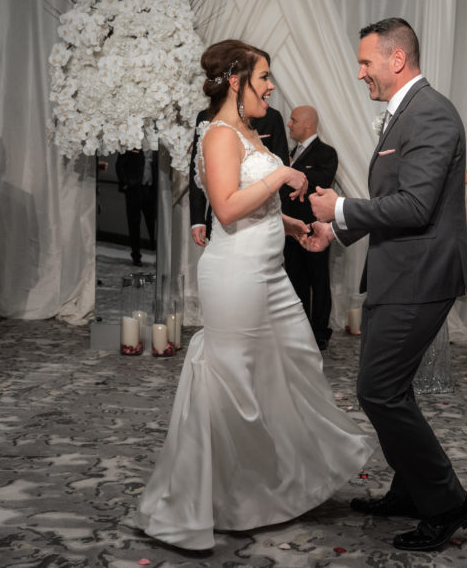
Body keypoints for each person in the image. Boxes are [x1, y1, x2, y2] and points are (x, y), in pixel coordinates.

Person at [135, 39, 373, 551]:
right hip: (236, 273)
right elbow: (224, 208)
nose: (271, 86)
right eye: (264, 77)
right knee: (236, 382)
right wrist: (282, 177)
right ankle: (218, 499)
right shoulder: (220, 134)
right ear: (238, 81)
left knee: (295, 360)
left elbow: (256, 207)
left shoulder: (249, 131)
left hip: (268, 269)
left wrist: (292, 227)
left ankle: (272, 486)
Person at [308, 18, 467, 552]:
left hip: (420, 274)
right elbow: (395, 201)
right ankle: (411, 490)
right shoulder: (405, 112)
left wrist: (338, 205)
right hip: (399, 270)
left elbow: (415, 205)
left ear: (396, 59)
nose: (360, 73)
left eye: (366, 63)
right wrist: (334, 228)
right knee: (391, 389)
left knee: (377, 390)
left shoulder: (430, 112)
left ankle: (449, 503)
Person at [188, 103, 288, 247]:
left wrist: (281, 217)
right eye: (263, 79)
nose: (270, 86)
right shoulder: (207, 117)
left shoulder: (272, 117)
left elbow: (281, 162)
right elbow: (198, 168)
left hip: (266, 222)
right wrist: (197, 218)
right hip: (223, 218)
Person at [281, 105, 338, 350]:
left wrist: (293, 170)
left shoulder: (327, 153)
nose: (289, 124)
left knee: (319, 280)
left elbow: (320, 181)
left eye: (293, 120)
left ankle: (320, 331)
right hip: (290, 228)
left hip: (315, 228)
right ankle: (300, 328)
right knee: (296, 279)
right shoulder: (289, 152)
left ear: (307, 124)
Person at [115, 149, 156, 267]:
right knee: (134, 224)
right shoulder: (132, 140)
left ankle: (158, 254)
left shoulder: (157, 143)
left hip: (151, 189)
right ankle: (136, 256)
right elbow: (119, 164)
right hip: (134, 189)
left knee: (154, 223)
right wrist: (126, 183)